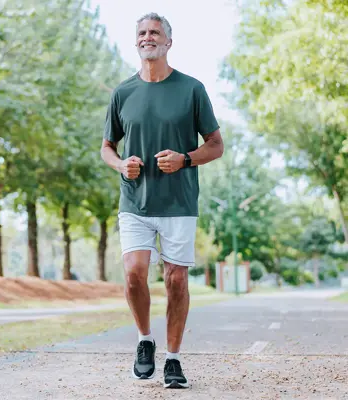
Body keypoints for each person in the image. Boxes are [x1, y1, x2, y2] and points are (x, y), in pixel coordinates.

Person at [100, 12, 224, 389]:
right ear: (136, 42)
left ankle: (172, 359)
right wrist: (122, 165)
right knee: (135, 274)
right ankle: (144, 340)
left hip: (179, 202)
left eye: (155, 32)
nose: (147, 37)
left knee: (176, 280)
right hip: (135, 202)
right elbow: (107, 148)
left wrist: (185, 158)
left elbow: (216, 146)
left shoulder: (191, 89)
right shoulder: (123, 93)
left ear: (169, 42)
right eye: (141, 33)